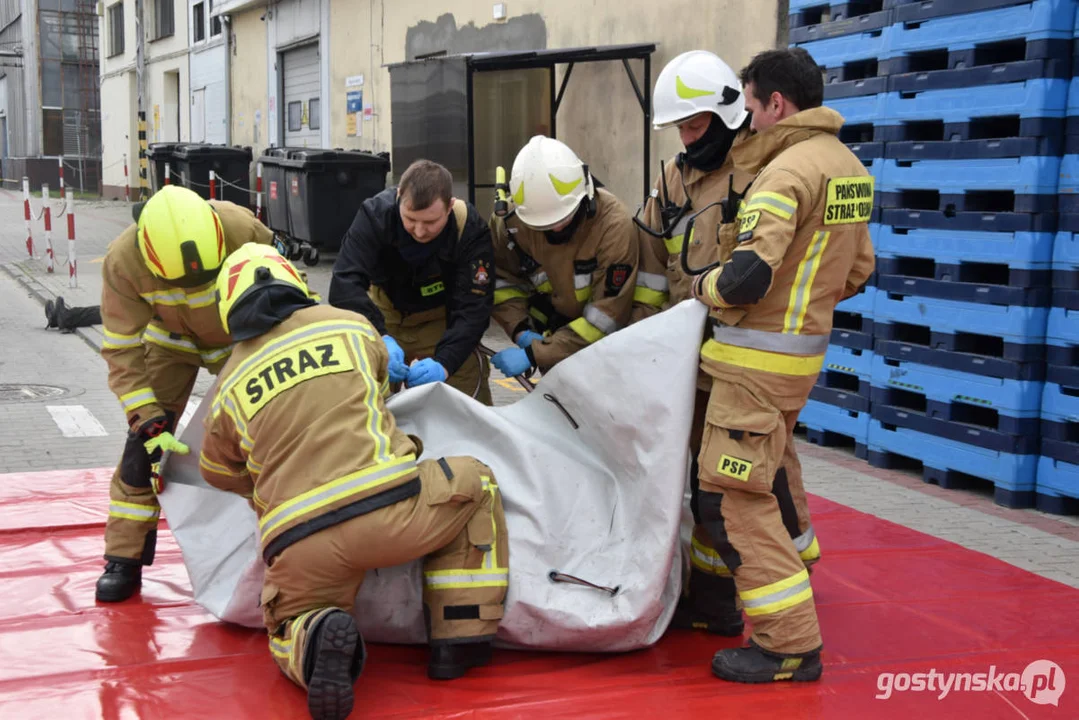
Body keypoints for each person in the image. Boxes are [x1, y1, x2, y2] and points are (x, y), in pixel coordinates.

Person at [200, 243, 509, 720]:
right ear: (295, 283)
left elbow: (217, 473)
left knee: (286, 625)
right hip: (391, 511)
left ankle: (318, 633)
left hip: (300, 541)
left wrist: (267, 481)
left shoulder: (227, 385)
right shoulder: (349, 325)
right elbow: (380, 392)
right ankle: (458, 638)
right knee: (476, 482)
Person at [690, 47, 875, 683]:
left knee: (730, 496)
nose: (746, 123)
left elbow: (745, 278)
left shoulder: (784, 174)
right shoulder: (849, 170)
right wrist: (805, 304)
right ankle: (787, 573)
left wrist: (703, 289)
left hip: (752, 367)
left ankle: (787, 643)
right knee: (768, 475)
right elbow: (857, 270)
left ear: (777, 104)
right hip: (798, 364)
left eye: (749, 108)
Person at [629, 49, 762, 639]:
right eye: (679, 127)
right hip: (681, 362)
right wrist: (645, 341)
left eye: (695, 123)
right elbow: (653, 266)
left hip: (738, 365)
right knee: (677, 479)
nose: (686, 138)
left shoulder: (760, 172)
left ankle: (723, 596)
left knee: (723, 486)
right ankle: (697, 590)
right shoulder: (672, 179)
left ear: (726, 112)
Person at [95, 184, 274, 603]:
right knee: (143, 449)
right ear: (150, 255)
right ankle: (124, 557)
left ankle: (278, 543)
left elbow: (288, 292)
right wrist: (145, 413)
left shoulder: (241, 228)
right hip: (170, 343)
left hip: (238, 338)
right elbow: (121, 346)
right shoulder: (123, 261)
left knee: (271, 433)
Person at [328, 159, 496, 404]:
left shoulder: (469, 228)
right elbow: (344, 284)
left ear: (449, 207)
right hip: (383, 314)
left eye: (430, 222)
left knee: (467, 403)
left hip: (439, 319)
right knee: (362, 402)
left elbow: (474, 308)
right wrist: (379, 337)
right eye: (410, 219)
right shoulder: (375, 215)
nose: (419, 231)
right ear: (398, 197)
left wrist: (445, 363)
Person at [487, 135, 639, 377]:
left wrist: (535, 354)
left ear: (585, 196)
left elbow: (607, 316)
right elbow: (502, 280)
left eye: (564, 219)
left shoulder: (613, 225)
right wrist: (520, 329)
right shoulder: (511, 223)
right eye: (544, 225)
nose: (556, 229)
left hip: (607, 352)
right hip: (552, 338)